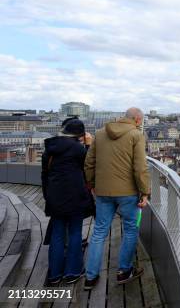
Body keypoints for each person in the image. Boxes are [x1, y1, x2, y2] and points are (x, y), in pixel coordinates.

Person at [84, 108, 150, 289]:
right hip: (128, 193)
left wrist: (91, 184)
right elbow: (140, 168)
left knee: (98, 232)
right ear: (137, 120)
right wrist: (144, 193)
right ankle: (124, 271)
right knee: (130, 230)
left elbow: (89, 162)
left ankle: (90, 276)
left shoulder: (100, 133)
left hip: (103, 192)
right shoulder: (136, 135)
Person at [41, 118, 93, 286]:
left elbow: (45, 175)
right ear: (79, 135)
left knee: (57, 234)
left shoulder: (49, 149)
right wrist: (88, 146)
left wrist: (47, 196)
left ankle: (54, 274)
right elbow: (88, 167)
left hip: (55, 198)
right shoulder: (78, 149)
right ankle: (72, 272)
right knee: (75, 233)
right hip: (75, 197)